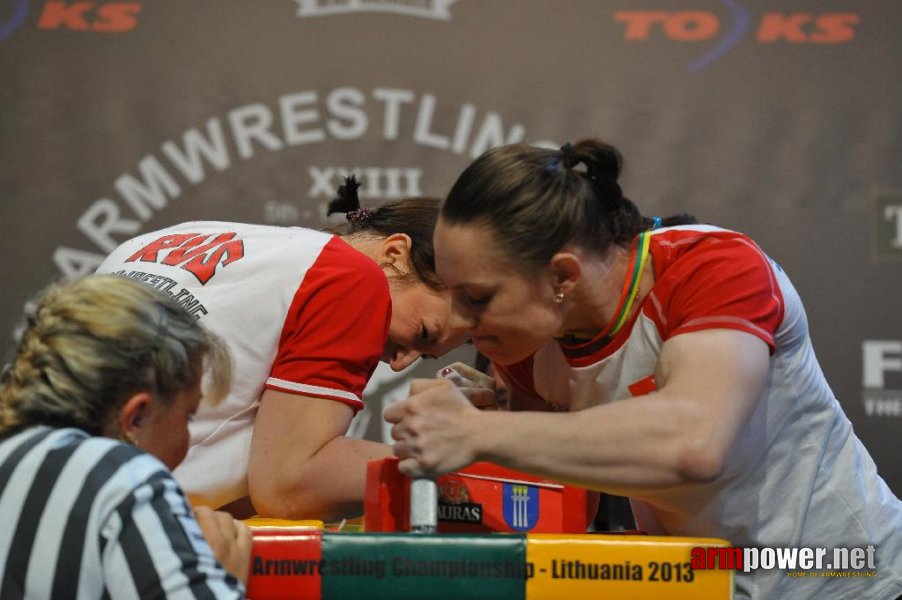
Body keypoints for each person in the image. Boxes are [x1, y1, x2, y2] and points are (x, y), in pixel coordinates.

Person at [385, 139, 902, 599]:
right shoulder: (525, 345)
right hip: (711, 580)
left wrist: (481, 430)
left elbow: (695, 444)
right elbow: (562, 496)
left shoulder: (712, 266)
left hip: (846, 573)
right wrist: (490, 432)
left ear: (562, 275)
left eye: (477, 297)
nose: (458, 320)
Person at [96, 177, 468, 521]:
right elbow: (288, 486)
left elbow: (237, 482)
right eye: (423, 333)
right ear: (395, 254)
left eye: (425, 358)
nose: (402, 364)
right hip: (116, 530)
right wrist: (468, 456)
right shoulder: (352, 278)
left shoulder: (178, 235)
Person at [0, 275, 251, 599]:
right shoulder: (122, 477)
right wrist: (218, 577)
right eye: (188, 415)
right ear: (136, 418)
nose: (188, 440)